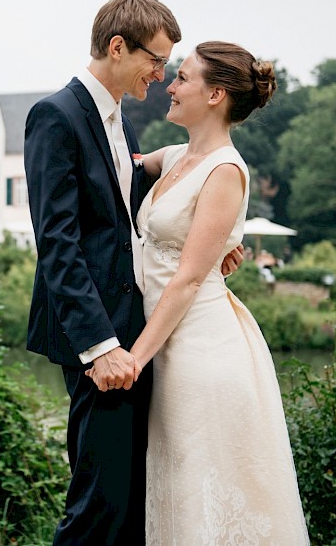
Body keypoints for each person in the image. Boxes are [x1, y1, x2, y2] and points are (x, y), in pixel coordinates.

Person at [24, 0, 242, 545]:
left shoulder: (120, 121)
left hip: (134, 327)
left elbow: (142, 211)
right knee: (98, 504)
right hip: (99, 339)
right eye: (157, 59)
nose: (162, 73)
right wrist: (101, 347)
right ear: (118, 48)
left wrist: (214, 242)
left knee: (129, 501)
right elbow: (57, 242)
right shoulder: (57, 115)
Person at [92, 41, 310, 543]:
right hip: (167, 344)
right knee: (172, 487)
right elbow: (114, 172)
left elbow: (189, 277)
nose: (169, 85)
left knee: (202, 488)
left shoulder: (225, 170)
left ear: (215, 95)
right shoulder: (176, 158)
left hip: (199, 352)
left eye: (183, 78)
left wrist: (132, 360)